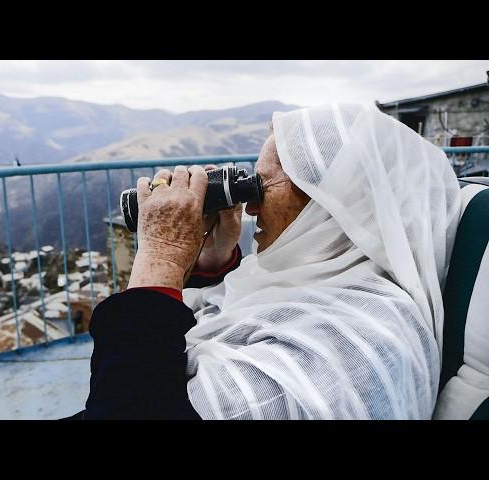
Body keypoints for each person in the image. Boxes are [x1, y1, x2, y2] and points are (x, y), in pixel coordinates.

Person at [68, 103, 461, 420]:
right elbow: (220, 328)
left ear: (333, 202)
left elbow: (128, 409)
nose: (251, 206)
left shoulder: (353, 348)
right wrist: (212, 264)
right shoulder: (328, 283)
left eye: (263, 186)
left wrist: (161, 257)